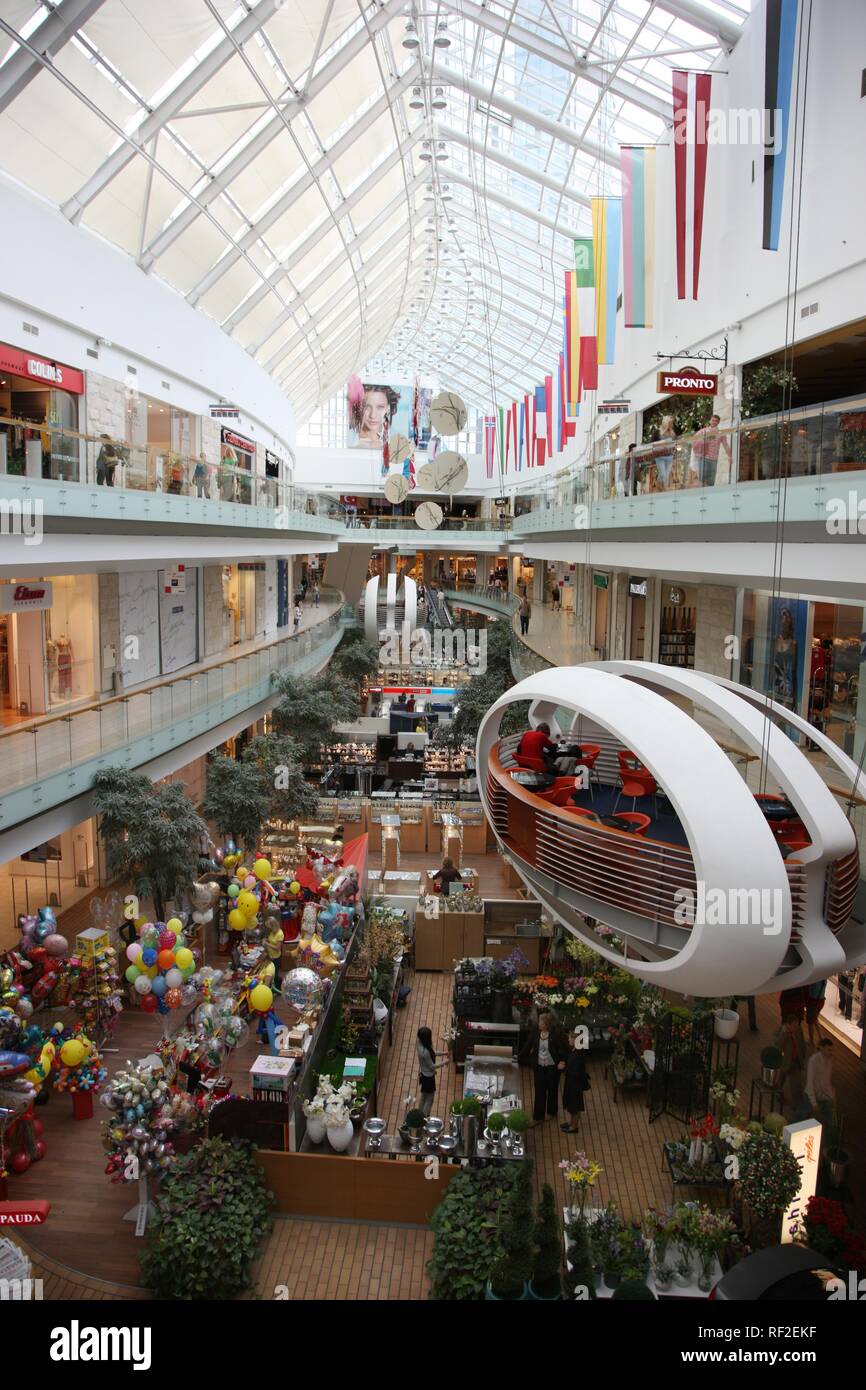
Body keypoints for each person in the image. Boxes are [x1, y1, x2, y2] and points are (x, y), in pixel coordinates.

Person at [521, 1012, 568, 1125]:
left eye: (541, 1022)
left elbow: (563, 1050)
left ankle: (552, 1111)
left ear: (547, 1025)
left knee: (552, 1090)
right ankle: (538, 1116)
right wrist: (518, 1057)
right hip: (539, 1067)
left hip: (552, 1068)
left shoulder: (556, 1035)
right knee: (539, 1091)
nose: (539, 1024)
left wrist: (562, 1062)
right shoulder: (535, 1033)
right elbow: (527, 1046)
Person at [689, 414, 732, 488]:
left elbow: (726, 445)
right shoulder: (704, 431)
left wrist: (729, 456)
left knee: (711, 481)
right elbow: (694, 440)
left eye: (716, 421)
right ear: (710, 421)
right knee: (702, 480)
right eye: (713, 420)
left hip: (714, 459)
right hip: (703, 457)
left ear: (718, 422)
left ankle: (709, 495)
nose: (714, 422)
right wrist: (703, 441)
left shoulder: (720, 433)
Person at [775, 1014, 807, 1112]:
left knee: (797, 1085)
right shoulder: (783, 1031)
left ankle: (798, 1105)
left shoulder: (798, 1031)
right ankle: (778, 1094)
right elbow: (778, 1044)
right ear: (788, 1025)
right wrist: (785, 1034)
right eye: (794, 1025)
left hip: (795, 1061)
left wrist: (802, 1058)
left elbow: (802, 1043)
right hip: (785, 1062)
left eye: (797, 1024)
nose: (796, 1027)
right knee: (781, 1080)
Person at [802, 1038, 834, 1130]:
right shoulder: (814, 1061)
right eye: (829, 1050)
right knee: (808, 1122)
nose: (831, 1052)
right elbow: (810, 1083)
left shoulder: (830, 1060)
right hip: (811, 1096)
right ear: (822, 1048)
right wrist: (814, 1102)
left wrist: (831, 1096)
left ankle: (829, 1141)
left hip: (823, 1095)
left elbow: (827, 1080)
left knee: (829, 1121)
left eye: (832, 1050)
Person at [561, 1029, 589, 1133]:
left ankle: (574, 1126)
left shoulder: (579, 1055)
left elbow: (576, 1072)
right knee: (571, 1105)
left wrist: (564, 1069)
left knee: (575, 1106)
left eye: (570, 1038)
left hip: (575, 1085)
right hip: (571, 1083)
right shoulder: (573, 1050)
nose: (568, 1039)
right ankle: (570, 1122)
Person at [416, 1026, 448, 1115]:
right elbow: (432, 1066)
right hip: (429, 1078)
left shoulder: (420, 1044)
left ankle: (419, 1115)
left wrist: (444, 1053)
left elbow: (432, 1052)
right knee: (429, 1099)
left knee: (423, 1096)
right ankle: (424, 1118)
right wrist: (444, 1062)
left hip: (424, 1075)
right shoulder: (425, 1052)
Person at [805, 978, 827, 1046]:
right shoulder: (824, 978)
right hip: (821, 1000)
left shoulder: (815, 978)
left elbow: (811, 989)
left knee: (810, 1022)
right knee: (815, 1019)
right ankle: (821, 1037)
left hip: (813, 1001)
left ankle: (811, 1041)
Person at [264, 917, 285, 990]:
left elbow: (277, 948)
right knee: (272, 974)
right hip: (271, 956)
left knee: (275, 975)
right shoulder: (272, 931)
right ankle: (276, 986)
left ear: (273, 925)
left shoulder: (280, 933)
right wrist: (267, 940)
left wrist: (267, 944)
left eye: (269, 927)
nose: (268, 929)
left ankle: (279, 988)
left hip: (276, 957)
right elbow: (271, 940)